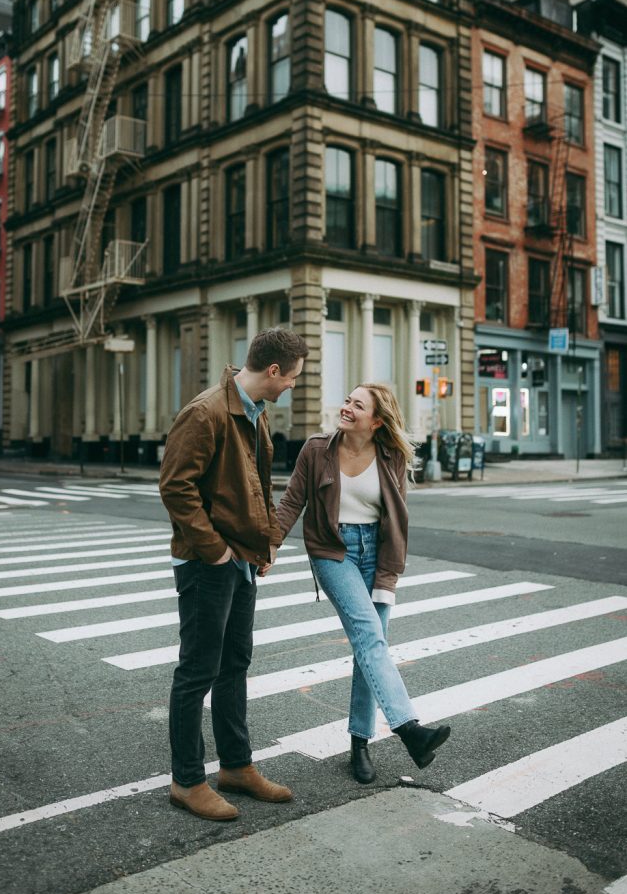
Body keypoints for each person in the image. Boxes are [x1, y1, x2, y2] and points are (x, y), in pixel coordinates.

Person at [159, 327, 309, 821]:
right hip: (209, 564)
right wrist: (217, 550)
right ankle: (186, 781)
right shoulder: (205, 413)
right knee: (197, 670)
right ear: (272, 371)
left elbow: (259, 485)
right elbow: (175, 487)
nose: (292, 385)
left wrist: (262, 542)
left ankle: (237, 766)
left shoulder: (254, 414)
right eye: (291, 377)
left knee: (235, 663)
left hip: (241, 558)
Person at [276, 382, 451, 784]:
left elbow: (398, 522)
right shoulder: (317, 450)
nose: (347, 407)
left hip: (378, 552)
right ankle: (410, 729)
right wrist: (268, 547)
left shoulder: (390, 455)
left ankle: (359, 744)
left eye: (358, 405)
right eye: (347, 400)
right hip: (333, 551)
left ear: (376, 421)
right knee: (370, 636)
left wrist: (389, 575)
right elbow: (291, 503)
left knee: (369, 649)